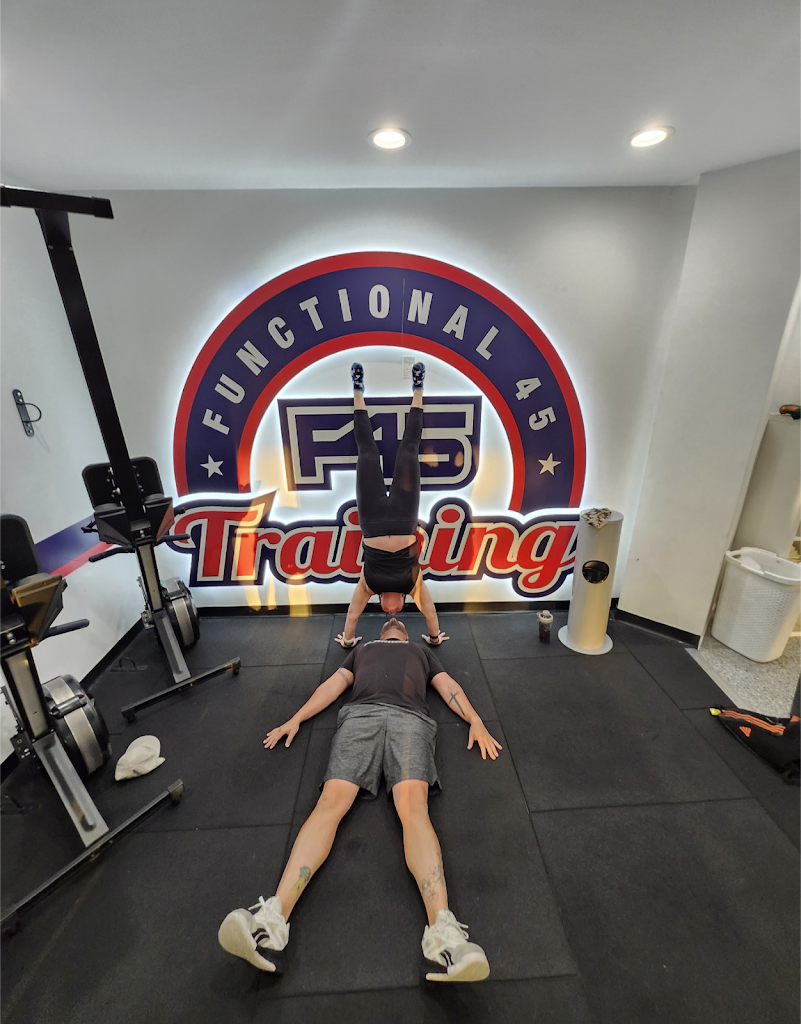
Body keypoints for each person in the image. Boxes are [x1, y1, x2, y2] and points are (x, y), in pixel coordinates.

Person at [217, 617, 503, 982]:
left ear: (404, 634)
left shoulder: (421, 651)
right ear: (381, 633)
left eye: (398, 622)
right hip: (359, 718)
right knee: (330, 803)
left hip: (410, 720)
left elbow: (448, 686)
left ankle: (443, 936)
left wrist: (475, 720)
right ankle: (272, 921)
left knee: (414, 808)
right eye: (388, 622)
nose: (393, 621)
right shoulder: (363, 650)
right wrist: (295, 719)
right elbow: (333, 686)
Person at [335, 361, 448, 649]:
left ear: (381, 604)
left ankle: (357, 390)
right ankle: (418, 389)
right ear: (405, 601)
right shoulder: (413, 585)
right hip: (403, 517)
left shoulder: (368, 586)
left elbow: (352, 615)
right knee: (409, 450)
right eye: (398, 614)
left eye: (388, 615)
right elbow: (430, 613)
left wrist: (348, 641)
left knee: (367, 452)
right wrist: (435, 639)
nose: (393, 612)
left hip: (371, 519)